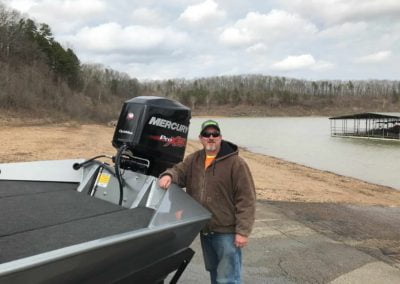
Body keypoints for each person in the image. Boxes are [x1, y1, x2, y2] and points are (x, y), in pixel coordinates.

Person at [158, 119, 256, 284]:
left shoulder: (236, 163)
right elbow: (178, 171)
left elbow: (246, 199)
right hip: (205, 230)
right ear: (200, 138)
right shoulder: (194, 159)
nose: (211, 137)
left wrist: (242, 231)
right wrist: (168, 175)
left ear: (220, 137)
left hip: (227, 233)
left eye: (214, 134)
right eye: (206, 134)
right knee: (214, 273)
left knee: (228, 278)